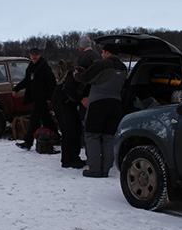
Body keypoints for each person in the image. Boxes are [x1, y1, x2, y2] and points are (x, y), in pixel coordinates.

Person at [76, 43, 127, 177]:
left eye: (103, 52)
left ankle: (94, 169)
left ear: (106, 52)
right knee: (108, 138)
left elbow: (86, 78)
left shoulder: (102, 64)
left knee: (92, 136)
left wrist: (77, 75)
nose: (102, 55)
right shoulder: (123, 67)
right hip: (116, 104)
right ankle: (105, 169)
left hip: (98, 103)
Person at [14, 48, 59, 150]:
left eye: (36, 55)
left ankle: (28, 142)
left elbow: (52, 82)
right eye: (33, 55)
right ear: (30, 55)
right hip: (36, 98)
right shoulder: (30, 67)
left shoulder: (44, 67)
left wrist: (49, 98)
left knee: (34, 121)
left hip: (42, 99)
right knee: (47, 120)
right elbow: (27, 81)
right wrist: (16, 89)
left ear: (40, 55)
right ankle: (57, 137)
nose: (34, 57)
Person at [52, 59, 87, 169]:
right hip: (61, 103)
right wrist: (80, 99)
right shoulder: (78, 73)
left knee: (77, 128)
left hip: (68, 103)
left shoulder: (81, 73)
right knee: (68, 130)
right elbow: (68, 88)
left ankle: (74, 157)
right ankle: (67, 160)